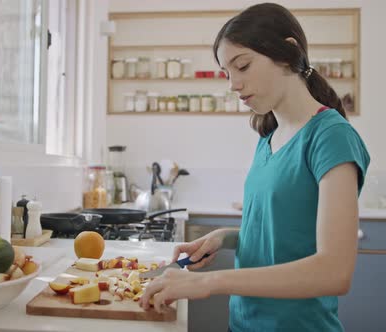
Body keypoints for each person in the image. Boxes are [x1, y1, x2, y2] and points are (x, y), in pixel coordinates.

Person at [138, 3, 370, 331]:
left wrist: (209, 283)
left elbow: (334, 272)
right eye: (226, 73)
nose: (233, 84)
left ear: (288, 53)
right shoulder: (269, 138)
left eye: (242, 66)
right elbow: (286, 234)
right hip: (244, 324)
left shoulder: (331, 137)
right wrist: (227, 236)